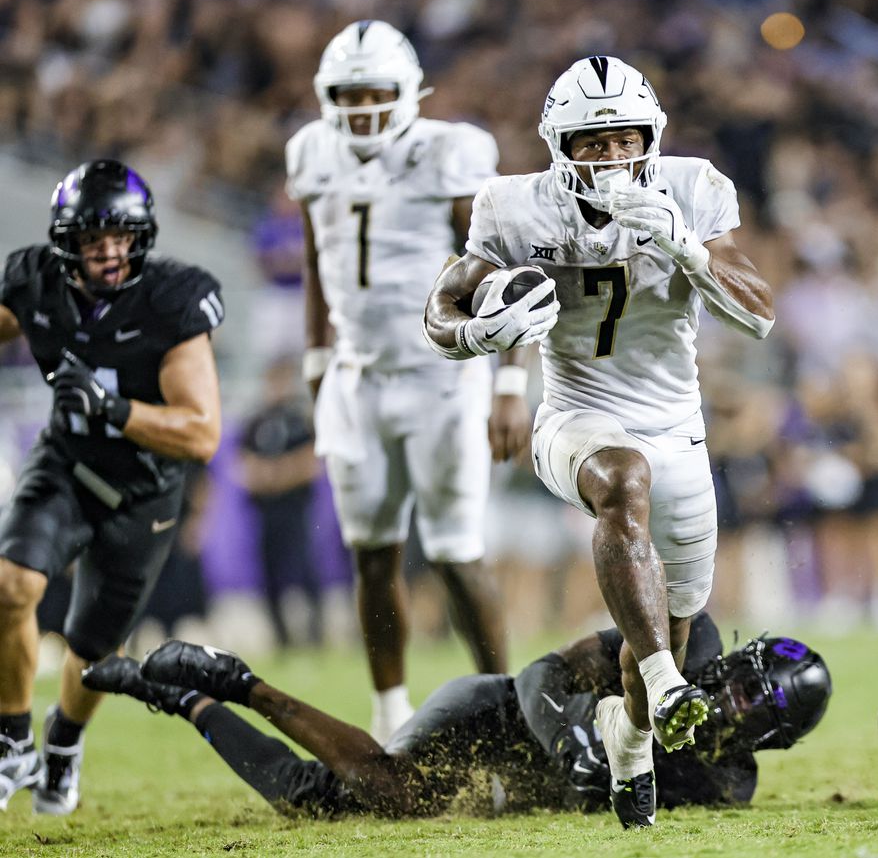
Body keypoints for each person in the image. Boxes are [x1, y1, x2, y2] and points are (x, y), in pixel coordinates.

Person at [423, 55, 774, 827]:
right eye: (593, 141)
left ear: (652, 138)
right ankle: (662, 678)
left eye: (626, 139)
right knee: (622, 478)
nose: (613, 157)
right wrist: (477, 333)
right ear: (560, 146)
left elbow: (760, 311)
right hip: (577, 417)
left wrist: (689, 246)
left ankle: (632, 727)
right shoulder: (515, 207)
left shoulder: (692, 188)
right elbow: (443, 305)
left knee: (673, 625)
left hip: (678, 427)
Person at [288, 20, 529, 740]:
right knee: (370, 552)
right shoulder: (310, 151)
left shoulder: (449, 150)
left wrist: (510, 381)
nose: (362, 110)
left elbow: (501, 264)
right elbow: (315, 262)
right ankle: (390, 715)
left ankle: (505, 715)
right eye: (348, 95)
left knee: (456, 552)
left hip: (442, 374)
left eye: (376, 94)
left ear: (409, 93)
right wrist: (316, 357)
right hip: (358, 375)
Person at [80, 613, 831, 820]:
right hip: (500, 714)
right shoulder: (679, 638)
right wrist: (569, 731)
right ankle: (244, 684)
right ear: (733, 657)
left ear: (773, 740)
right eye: (740, 681)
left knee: (322, 802)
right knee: (389, 791)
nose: (731, 700)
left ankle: (189, 696)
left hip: (522, 777)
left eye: (752, 708)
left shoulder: (726, 782)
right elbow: (542, 669)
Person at [0, 160, 224, 814]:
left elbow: (202, 432)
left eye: (122, 236)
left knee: (93, 653)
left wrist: (112, 407)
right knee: (12, 584)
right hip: (65, 464)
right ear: (65, 240)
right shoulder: (35, 282)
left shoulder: (171, 299)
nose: (110, 250)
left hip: (142, 490)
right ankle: (12, 741)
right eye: (94, 237)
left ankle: (63, 741)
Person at [237, 357, 323, 648]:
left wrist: (280, 473)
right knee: (270, 577)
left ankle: (315, 633)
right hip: (266, 514)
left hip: (295, 511)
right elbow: (242, 467)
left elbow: (313, 462)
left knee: (305, 572)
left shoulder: (300, 419)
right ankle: (282, 637)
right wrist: (267, 475)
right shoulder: (257, 420)